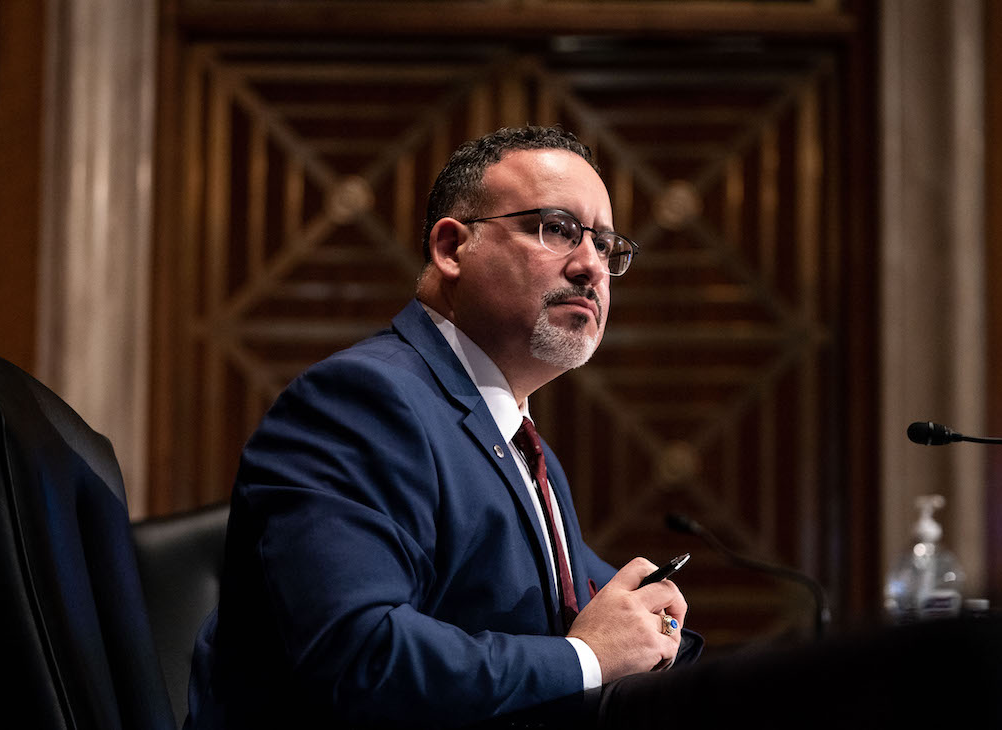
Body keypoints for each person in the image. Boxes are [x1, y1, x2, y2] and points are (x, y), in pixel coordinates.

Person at [184, 126, 701, 729]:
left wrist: (662, 633)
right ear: (453, 248)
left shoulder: (527, 451)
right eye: (557, 228)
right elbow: (359, 657)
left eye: (607, 246)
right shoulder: (361, 403)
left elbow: (615, 621)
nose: (592, 265)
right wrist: (585, 657)